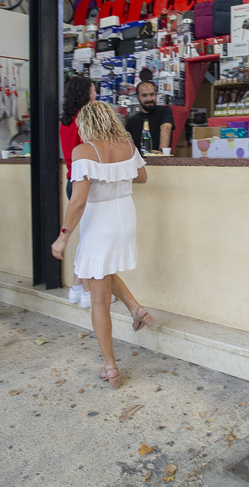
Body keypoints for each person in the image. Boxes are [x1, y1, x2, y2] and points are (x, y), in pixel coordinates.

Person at [51, 100, 154, 389]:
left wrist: (63, 236)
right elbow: (142, 177)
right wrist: (117, 174)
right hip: (124, 217)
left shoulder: (84, 151)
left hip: (100, 221)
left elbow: (79, 200)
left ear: (85, 124)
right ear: (111, 120)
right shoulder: (127, 146)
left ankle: (110, 368)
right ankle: (136, 309)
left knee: (98, 300)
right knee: (102, 270)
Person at [61, 75, 97, 308]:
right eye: (93, 89)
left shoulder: (66, 120)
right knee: (89, 241)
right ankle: (86, 291)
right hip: (84, 183)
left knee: (85, 238)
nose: (95, 93)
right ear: (86, 93)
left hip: (71, 181)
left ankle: (76, 286)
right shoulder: (84, 121)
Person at [124, 81, 174, 154]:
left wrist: (161, 153)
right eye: (144, 95)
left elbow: (166, 128)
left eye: (152, 94)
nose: (149, 99)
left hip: (161, 161)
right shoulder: (132, 121)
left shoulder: (164, 110)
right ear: (137, 97)